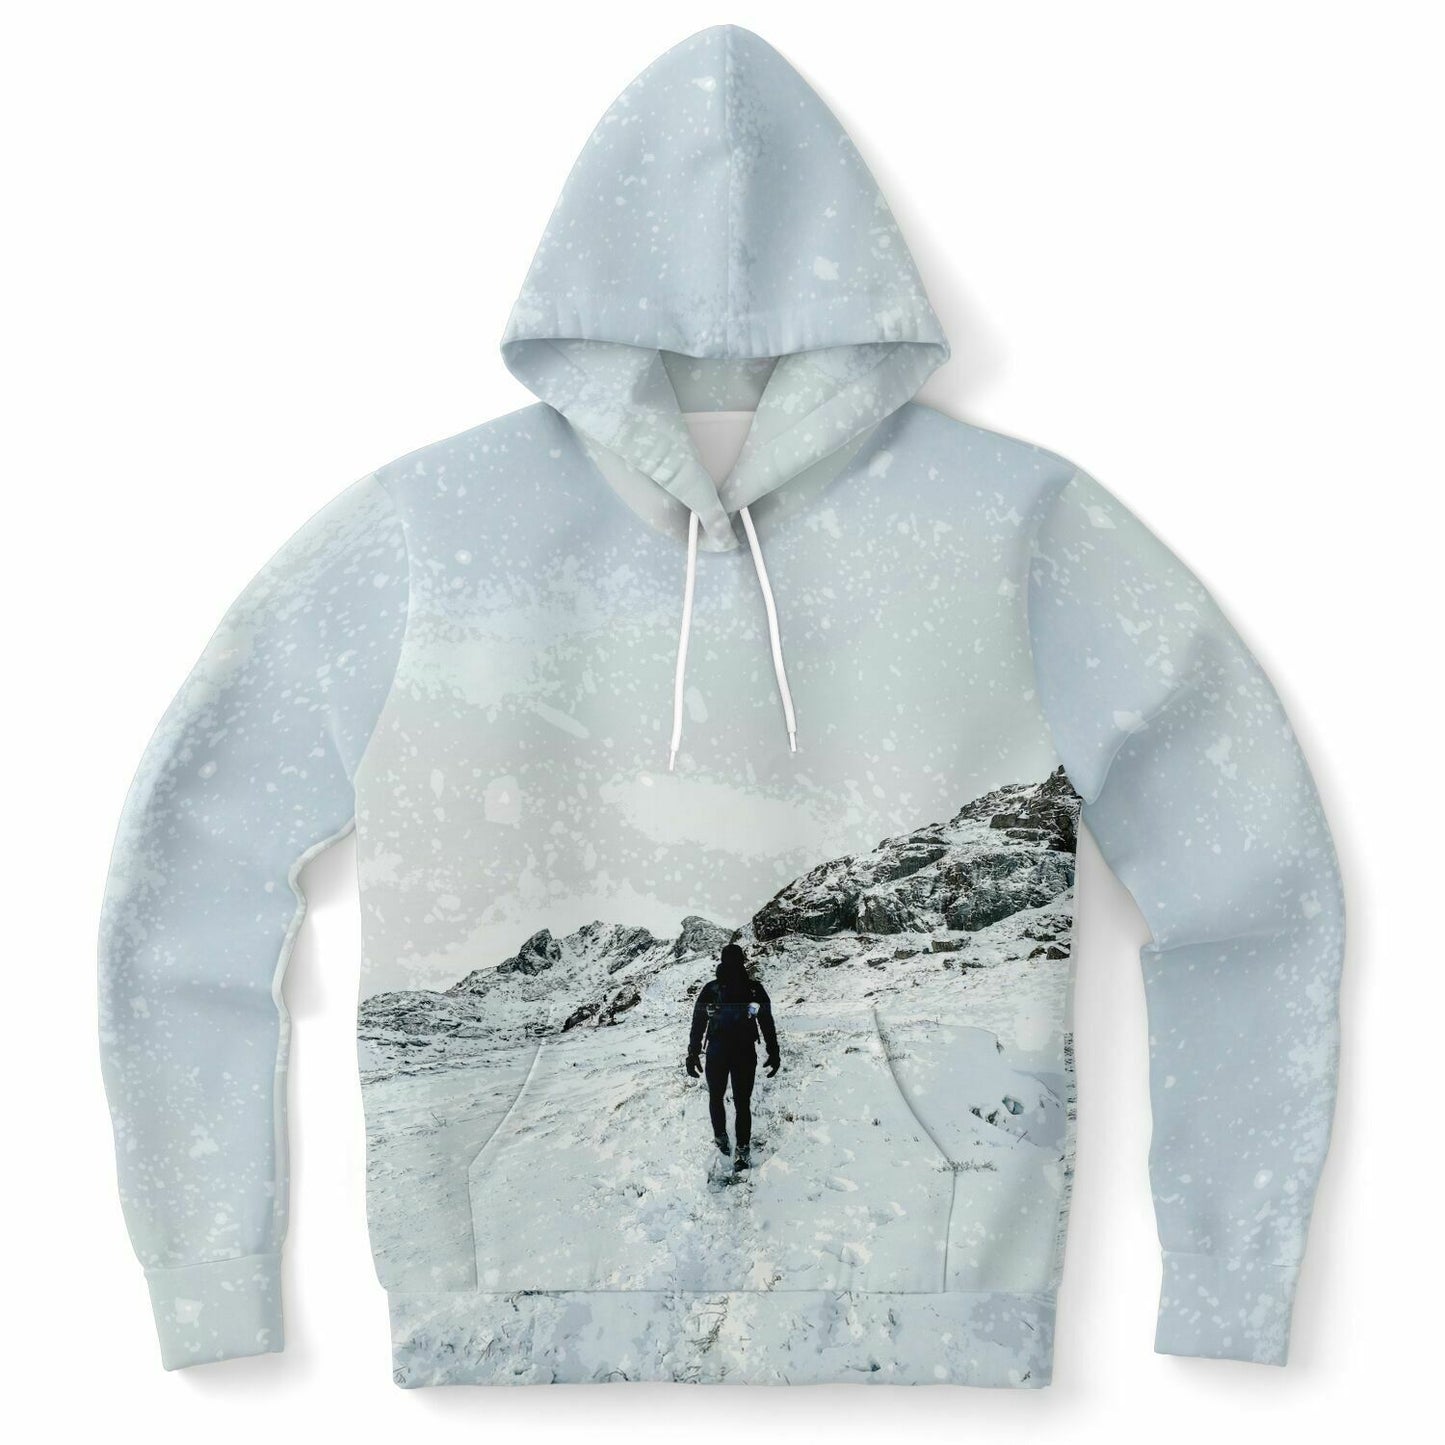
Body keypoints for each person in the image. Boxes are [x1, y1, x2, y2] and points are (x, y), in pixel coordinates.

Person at [686, 942, 780, 1169]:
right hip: (744, 1051)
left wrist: (693, 1053)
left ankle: (721, 1137)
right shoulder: (754, 989)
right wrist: (773, 1051)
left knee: (716, 1097)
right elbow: (766, 1022)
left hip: (717, 1051)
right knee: (742, 1102)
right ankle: (742, 1149)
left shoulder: (711, 989)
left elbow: (698, 1022)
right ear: (743, 961)